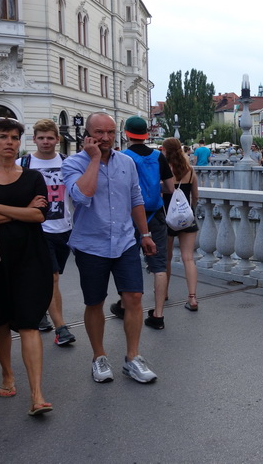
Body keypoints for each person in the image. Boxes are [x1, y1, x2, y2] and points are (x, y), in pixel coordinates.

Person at [62, 112, 158, 384]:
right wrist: (94, 159)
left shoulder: (126, 162)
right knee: (95, 302)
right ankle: (99, 357)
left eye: (110, 132)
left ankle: (132, 358)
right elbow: (81, 195)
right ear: (87, 135)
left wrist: (146, 234)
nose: (105, 138)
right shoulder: (72, 163)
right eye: (99, 133)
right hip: (91, 243)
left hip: (126, 240)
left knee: (134, 299)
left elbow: (135, 198)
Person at [0, 117, 54, 415]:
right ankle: (7, 374)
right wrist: (21, 212)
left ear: (21, 143)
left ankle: (37, 394)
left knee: (30, 322)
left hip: (31, 258)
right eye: (3, 136)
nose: (9, 142)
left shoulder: (33, 177)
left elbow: (39, 217)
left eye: (14, 137)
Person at [18, 119, 76, 346]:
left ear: (57, 139)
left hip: (64, 229)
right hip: (37, 229)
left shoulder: (67, 162)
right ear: (34, 140)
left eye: (50, 138)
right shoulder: (23, 163)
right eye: (41, 138)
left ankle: (41, 312)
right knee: (51, 277)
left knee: (52, 277)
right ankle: (61, 329)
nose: (45, 142)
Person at [114, 116, 175, 331]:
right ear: (146, 134)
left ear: (127, 134)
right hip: (155, 215)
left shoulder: (122, 157)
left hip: (129, 215)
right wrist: (153, 189)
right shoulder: (158, 156)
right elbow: (170, 187)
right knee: (158, 264)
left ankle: (123, 305)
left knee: (126, 260)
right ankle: (158, 315)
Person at [161, 137, 200, 312]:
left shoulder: (163, 170)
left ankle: (164, 293)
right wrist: (190, 209)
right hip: (186, 218)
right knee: (188, 258)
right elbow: (195, 196)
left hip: (167, 218)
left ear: (166, 151)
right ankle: (192, 298)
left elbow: (159, 195)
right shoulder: (190, 171)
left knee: (166, 258)